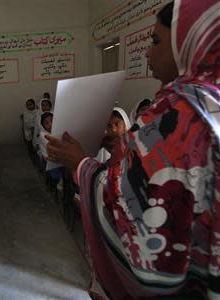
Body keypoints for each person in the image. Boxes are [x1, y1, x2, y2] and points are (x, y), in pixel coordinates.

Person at [46, 1, 219, 298]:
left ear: (186, 44)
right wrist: (124, 149)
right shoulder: (211, 104)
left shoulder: (177, 112)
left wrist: (81, 165)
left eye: (155, 41)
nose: (147, 52)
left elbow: (126, 204)